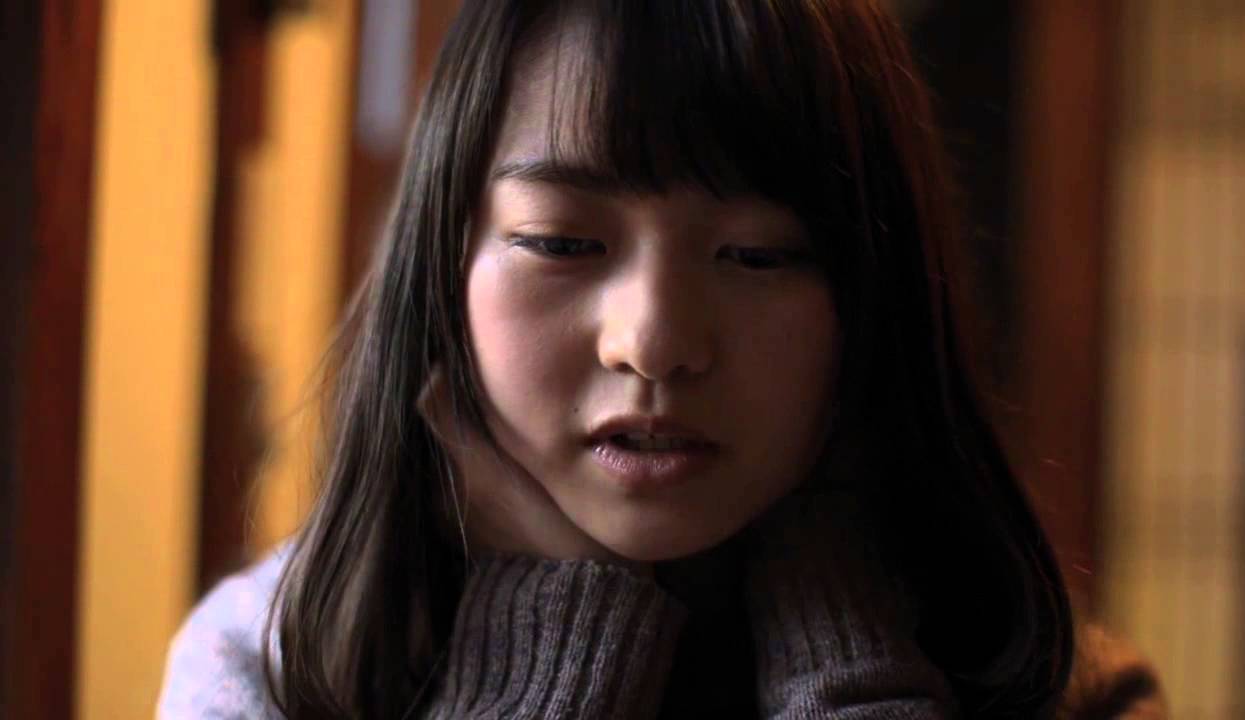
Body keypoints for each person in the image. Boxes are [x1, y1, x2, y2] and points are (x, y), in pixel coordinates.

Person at [157, 1, 1156, 717]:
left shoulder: (1075, 694)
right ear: (442, 267)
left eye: (756, 256)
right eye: (560, 242)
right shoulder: (266, 671)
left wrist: (843, 639)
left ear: (873, 299)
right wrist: (541, 652)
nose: (654, 343)